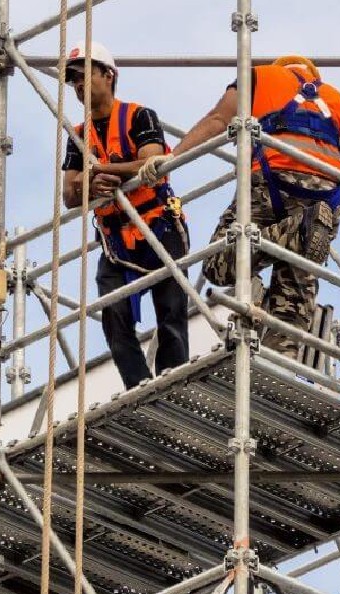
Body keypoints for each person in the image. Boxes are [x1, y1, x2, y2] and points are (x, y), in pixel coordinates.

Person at [140, 55, 340, 359]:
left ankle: (296, 232)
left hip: (270, 183)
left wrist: (174, 157)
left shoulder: (259, 77)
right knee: (293, 302)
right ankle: (281, 363)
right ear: (312, 74)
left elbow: (218, 119)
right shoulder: (336, 100)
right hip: (324, 199)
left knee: (218, 264)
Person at [61, 40, 190, 389]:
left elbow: (154, 165)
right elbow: (69, 195)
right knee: (115, 318)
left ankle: (173, 384)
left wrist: (106, 170)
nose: (77, 84)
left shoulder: (138, 116)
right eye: (72, 79)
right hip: (115, 238)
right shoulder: (77, 135)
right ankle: (139, 386)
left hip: (157, 225)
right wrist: (90, 182)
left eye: (83, 75)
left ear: (108, 74)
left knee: (171, 312)